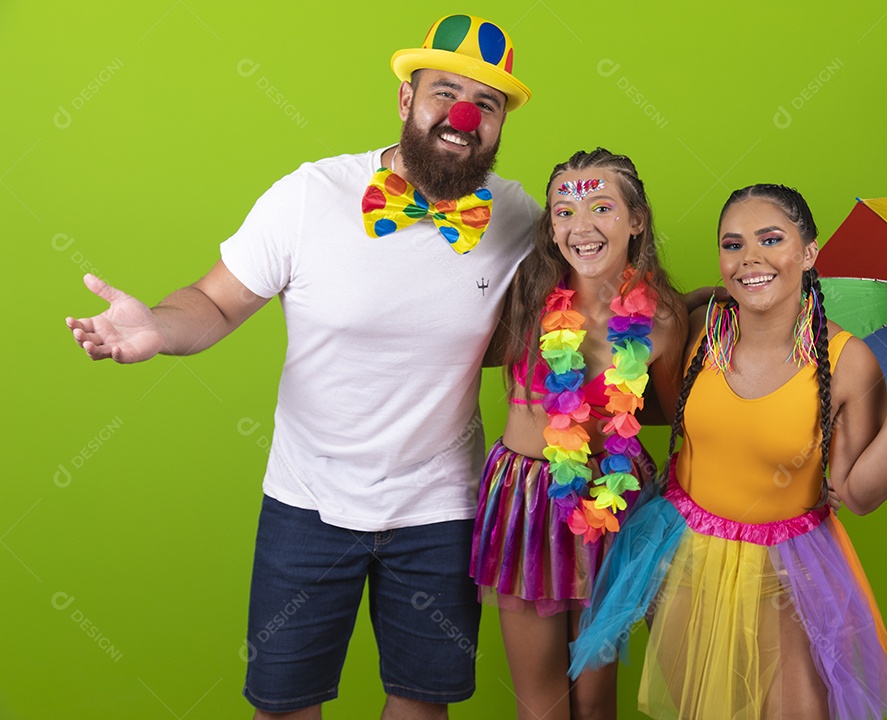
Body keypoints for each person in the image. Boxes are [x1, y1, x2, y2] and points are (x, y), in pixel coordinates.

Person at [65, 14, 538, 720]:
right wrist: (157, 328)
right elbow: (213, 302)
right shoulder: (310, 195)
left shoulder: (519, 216)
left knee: (422, 706)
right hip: (307, 501)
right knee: (283, 705)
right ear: (405, 99)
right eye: (444, 91)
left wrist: (691, 311)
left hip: (440, 506)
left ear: (499, 124)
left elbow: (567, 316)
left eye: (486, 103)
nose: (463, 115)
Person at [569, 184, 887, 720]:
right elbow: (629, 377)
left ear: (809, 253)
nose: (750, 258)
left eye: (771, 239)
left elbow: (858, 496)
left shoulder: (847, 361)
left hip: (788, 569)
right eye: (733, 244)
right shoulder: (699, 329)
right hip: (684, 555)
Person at [470, 148, 687, 719]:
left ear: (636, 220)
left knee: (594, 703)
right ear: (550, 227)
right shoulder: (524, 296)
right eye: (564, 212)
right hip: (524, 500)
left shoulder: (663, 320)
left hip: (612, 504)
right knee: (542, 704)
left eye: (601, 207)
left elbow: (674, 419)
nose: (581, 226)